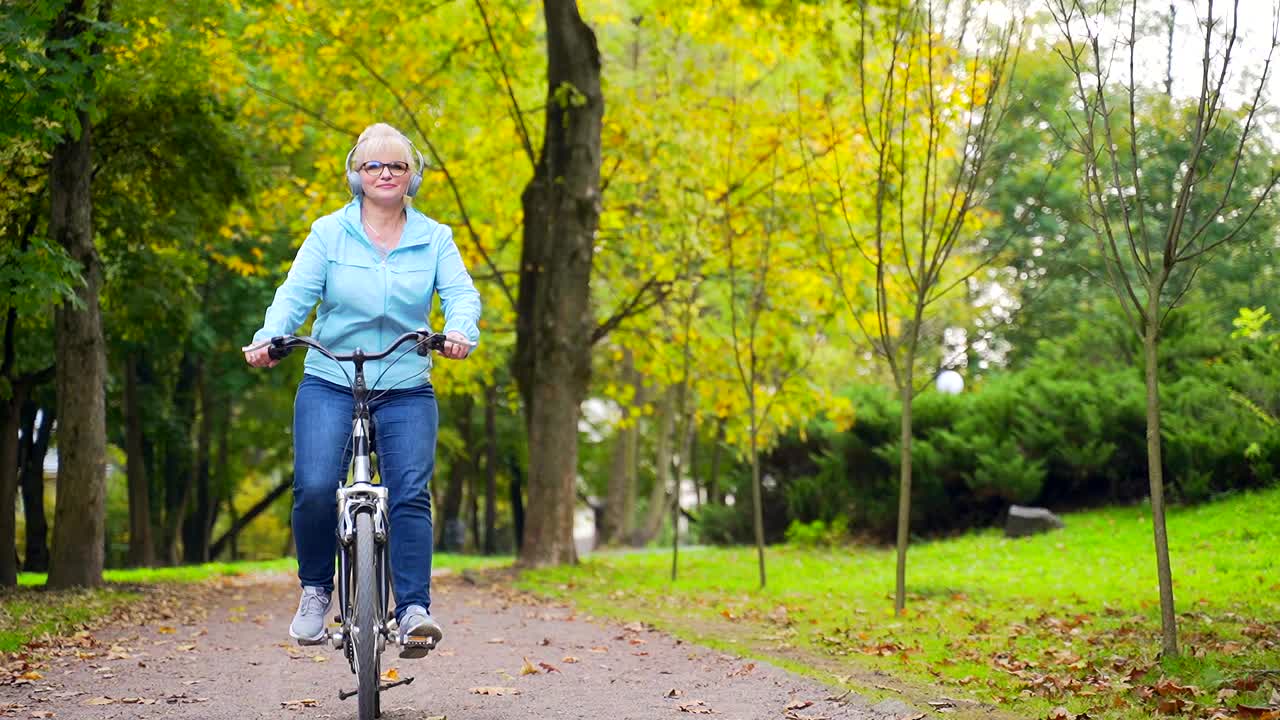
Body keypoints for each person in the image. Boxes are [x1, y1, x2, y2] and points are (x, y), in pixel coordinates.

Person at [243, 123, 480, 658]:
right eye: (374, 165)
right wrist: (268, 338)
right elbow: (293, 296)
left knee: (411, 491)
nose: (386, 174)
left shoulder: (435, 237)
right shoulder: (328, 233)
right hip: (331, 379)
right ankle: (315, 592)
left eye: (397, 165)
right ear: (357, 174)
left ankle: (413, 610)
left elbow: (461, 295)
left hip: (403, 382)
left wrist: (460, 330)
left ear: (412, 175)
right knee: (312, 484)